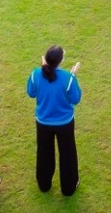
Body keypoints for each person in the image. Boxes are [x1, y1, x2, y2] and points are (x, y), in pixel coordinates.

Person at [28, 46, 82, 195]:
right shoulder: (67, 78)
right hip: (64, 123)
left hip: (43, 122)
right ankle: (69, 187)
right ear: (60, 61)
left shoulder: (36, 74)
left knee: (44, 152)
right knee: (68, 153)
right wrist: (73, 77)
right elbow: (75, 99)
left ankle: (44, 184)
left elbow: (31, 92)